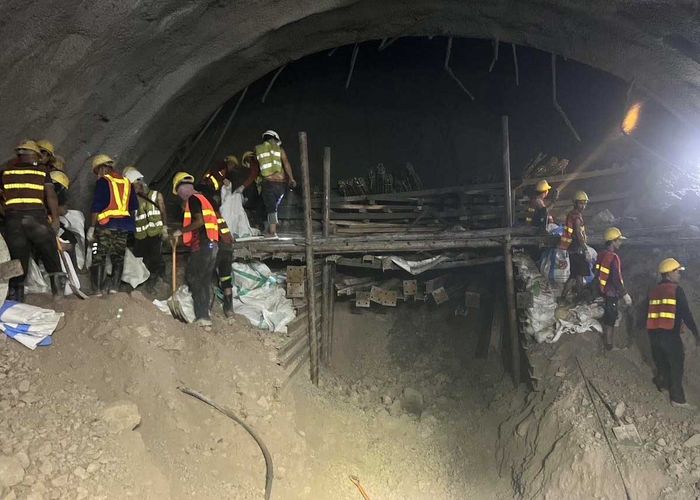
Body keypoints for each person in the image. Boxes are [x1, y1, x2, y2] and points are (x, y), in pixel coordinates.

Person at [0, 140, 63, 301]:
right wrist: (55, 219)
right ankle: (58, 294)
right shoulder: (42, 172)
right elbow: (51, 196)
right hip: (36, 219)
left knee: (17, 260)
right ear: (33, 155)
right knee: (50, 254)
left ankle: (16, 298)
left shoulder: (6, 172)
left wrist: (6, 212)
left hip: (13, 222)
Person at [647, 258, 699, 409]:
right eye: (677, 271)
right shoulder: (676, 290)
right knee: (676, 364)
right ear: (669, 273)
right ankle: (677, 399)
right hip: (669, 335)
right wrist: (696, 333)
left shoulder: (654, 290)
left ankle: (662, 384)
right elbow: (686, 313)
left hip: (653, 334)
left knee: (661, 361)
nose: (679, 275)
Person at [172, 171, 219, 327]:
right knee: (204, 280)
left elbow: (199, 222)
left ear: (182, 188)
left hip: (202, 245)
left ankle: (202, 316)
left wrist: (182, 231)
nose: (179, 196)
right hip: (213, 245)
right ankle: (205, 313)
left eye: (178, 193)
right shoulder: (204, 198)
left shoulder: (193, 199)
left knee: (195, 278)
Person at [87, 154, 138, 295]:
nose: (97, 175)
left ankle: (97, 291)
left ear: (102, 168)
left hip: (105, 226)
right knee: (118, 258)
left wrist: (92, 227)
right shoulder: (127, 182)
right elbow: (134, 207)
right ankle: (115, 288)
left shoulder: (103, 182)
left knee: (98, 257)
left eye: (98, 171)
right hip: (123, 227)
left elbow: (96, 206)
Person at [123, 165, 168, 291]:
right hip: (140, 235)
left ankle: (153, 283)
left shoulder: (155, 195)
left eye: (136, 183)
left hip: (155, 233)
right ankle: (138, 282)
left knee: (155, 258)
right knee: (139, 258)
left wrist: (165, 227)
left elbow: (163, 211)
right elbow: (130, 217)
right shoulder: (130, 201)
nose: (135, 186)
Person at [594, 227, 632, 350]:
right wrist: (625, 294)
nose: (620, 242)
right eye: (619, 240)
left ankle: (608, 343)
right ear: (613, 241)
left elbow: (597, 273)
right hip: (611, 292)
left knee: (609, 316)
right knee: (610, 319)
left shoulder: (601, 254)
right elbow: (616, 278)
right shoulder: (613, 257)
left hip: (602, 290)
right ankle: (609, 346)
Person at [255, 130, 297, 236]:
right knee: (274, 207)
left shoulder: (258, 149)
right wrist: (291, 179)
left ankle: (272, 232)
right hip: (281, 184)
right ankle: (271, 228)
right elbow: (286, 164)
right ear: (275, 139)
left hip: (268, 183)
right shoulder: (280, 150)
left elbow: (256, 168)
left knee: (271, 208)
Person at [559, 191, 590, 301]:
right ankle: (580, 298)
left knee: (574, 275)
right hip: (577, 248)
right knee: (580, 275)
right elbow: (578, 234)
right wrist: (585, 249)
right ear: (575, 203)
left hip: (572, 248)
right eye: (581, 203)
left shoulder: (571, 214)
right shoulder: (576, 217)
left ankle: (562, 297)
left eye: (584, 203)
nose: (583, 206)